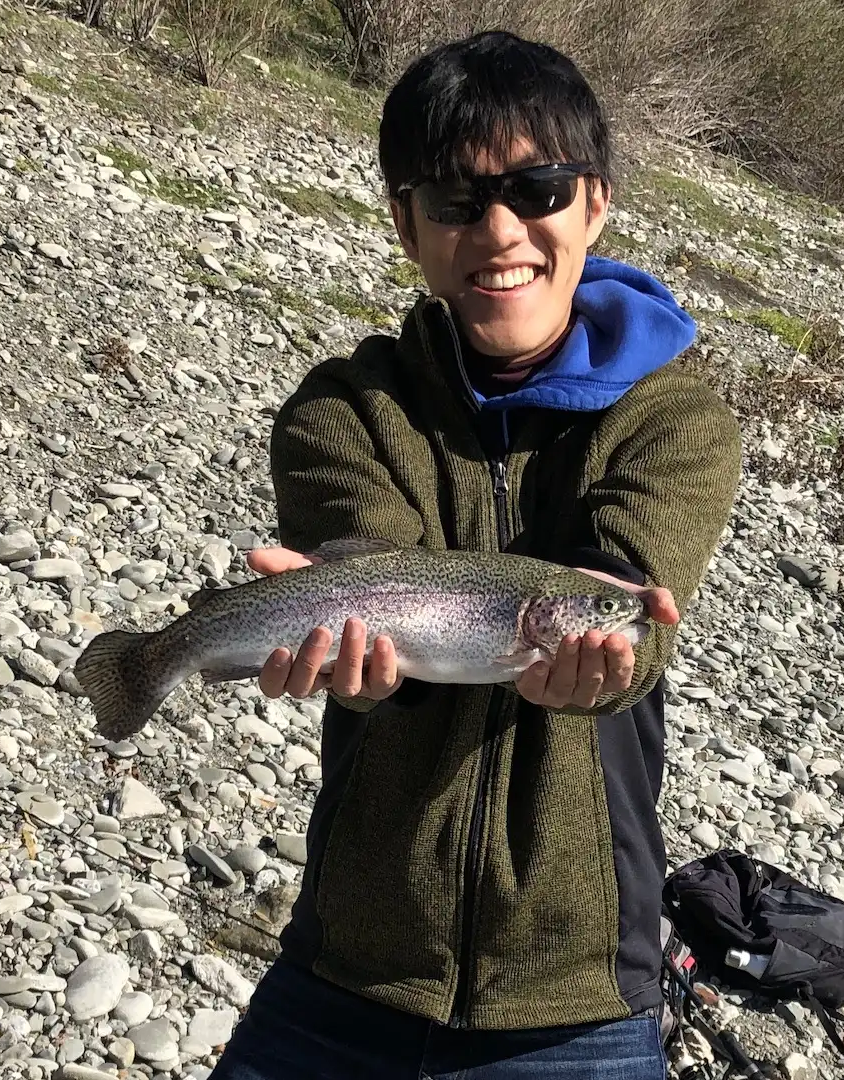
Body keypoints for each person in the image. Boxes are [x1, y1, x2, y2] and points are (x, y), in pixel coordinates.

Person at [207, 30, 742, 1079]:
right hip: (350, 964)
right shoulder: (345, 411)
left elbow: (630, 604)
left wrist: (608, 655)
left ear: (595, 202)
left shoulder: (676, 420)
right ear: (406, 225)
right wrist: (357, 672)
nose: (501, 233)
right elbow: (378, 619)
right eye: (454, 203)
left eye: (538, 191)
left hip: (579, 990)